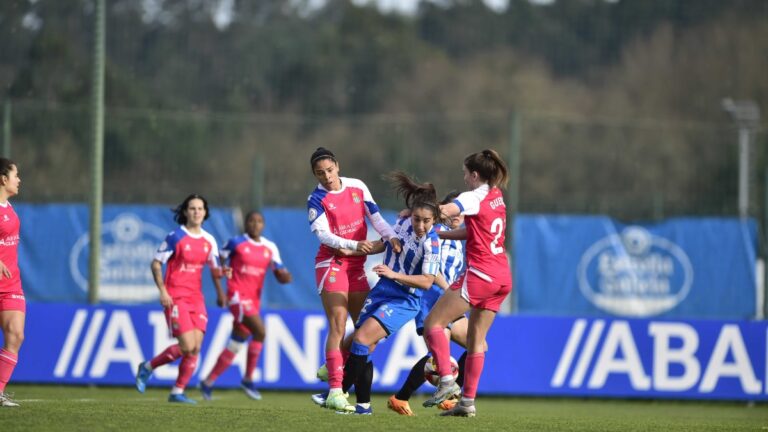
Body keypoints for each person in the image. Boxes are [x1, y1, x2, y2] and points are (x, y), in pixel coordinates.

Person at [332, 171, 442, 415]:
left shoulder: (432, 243)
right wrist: (354, 251)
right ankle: (357, 401)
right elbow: (386, 242)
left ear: (434, 220)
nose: (420, 225)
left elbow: (426, 281)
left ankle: (341, 394)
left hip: (404, 298)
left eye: (426, 221)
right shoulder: (403, 222)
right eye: (417, 219)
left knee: (361, 341)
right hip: (383, 290)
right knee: (356, 343)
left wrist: (394, 274)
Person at [307, 147, 401, 412]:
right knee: (338, 324)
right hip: (332, 264)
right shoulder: (315, 199)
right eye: (319, 173)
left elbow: (376, 216)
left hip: (356, 265)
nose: (326, 176)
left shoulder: (357, 187)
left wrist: (391, 236)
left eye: (329, 170)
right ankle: (336, 390)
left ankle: (334, 365)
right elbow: (324, 236)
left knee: (365, 331)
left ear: (337, 166)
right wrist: (354, 244)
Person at [422, 149, 512, 418]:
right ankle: (467, 403)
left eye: (465, 173)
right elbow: (475, 231)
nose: (463, 178)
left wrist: (421, 213)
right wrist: (442, 233)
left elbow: (449, 209)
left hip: (480, 274)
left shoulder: (472, 196)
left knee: (433, 324)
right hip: (502, 278)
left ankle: (447, 382)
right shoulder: (496, 194)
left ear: (475, 175)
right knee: (475, 341)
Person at [387, 192, 477, 416]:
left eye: (462, 212)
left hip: (450, 297)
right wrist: (449, 290)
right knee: (439, 357)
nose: (458, 216)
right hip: (432, 296)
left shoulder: (462, 236)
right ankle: (402, 398)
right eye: (455, 210)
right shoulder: (434, 230)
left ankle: (451, 394)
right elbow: (431, 269)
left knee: (478, 346)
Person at [135, 194, 226, 404]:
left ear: (205, 213)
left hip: (197, 299)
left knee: (195, 348)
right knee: (186, 346)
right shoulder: (176, 237)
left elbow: (214, 270)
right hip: (176, 296)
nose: (196, 212)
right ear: (185, 212)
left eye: (200, 208)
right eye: (192, 208)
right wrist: (163, 291)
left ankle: (177, 391)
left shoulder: (209, 240)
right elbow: (156, 263)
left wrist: (221, 289)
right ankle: (148, 367)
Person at [199, 211, 292, 401]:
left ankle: (208, 382)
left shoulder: (270, 247)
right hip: (237, 297)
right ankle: (248, 379)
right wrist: (220, 290)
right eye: (251, 221)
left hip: (254, 301)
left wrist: (285, 277)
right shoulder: (236, 243)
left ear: (263, 225)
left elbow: (281, 273)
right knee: (261, 331)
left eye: (259, 221)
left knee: (236, 343)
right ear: (246, 224)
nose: (255, 224)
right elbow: (216, 263)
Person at [0, 159, 22, 407]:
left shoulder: (10, 208)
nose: (19, 179)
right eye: (16, 175)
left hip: (11, 284)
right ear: (3, 179)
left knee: (16, 335)